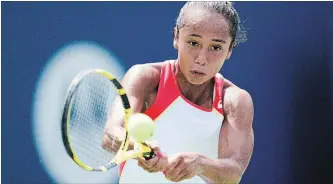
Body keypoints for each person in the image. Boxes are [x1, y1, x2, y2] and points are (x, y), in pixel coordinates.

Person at [102, 1, 254, 183]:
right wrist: (140, 148)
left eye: (215, 47)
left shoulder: (235, 101)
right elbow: (111, 133)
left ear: (230, 49)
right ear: (176, 37)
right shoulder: (145, 78)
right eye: (193, 42)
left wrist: (200, 164)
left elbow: (234, 172)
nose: (201, 59)